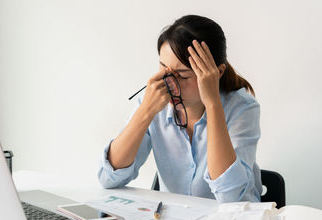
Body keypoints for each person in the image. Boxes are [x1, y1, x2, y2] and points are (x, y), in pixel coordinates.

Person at [97, 15, 262, 202]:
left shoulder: (242, 108)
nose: (170, 84)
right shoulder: (153, 101)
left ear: (217, 73)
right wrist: (145, 111)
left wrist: (213, 104)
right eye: (163, 69)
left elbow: (229, 197)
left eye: (183, 75)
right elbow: (108, 178)